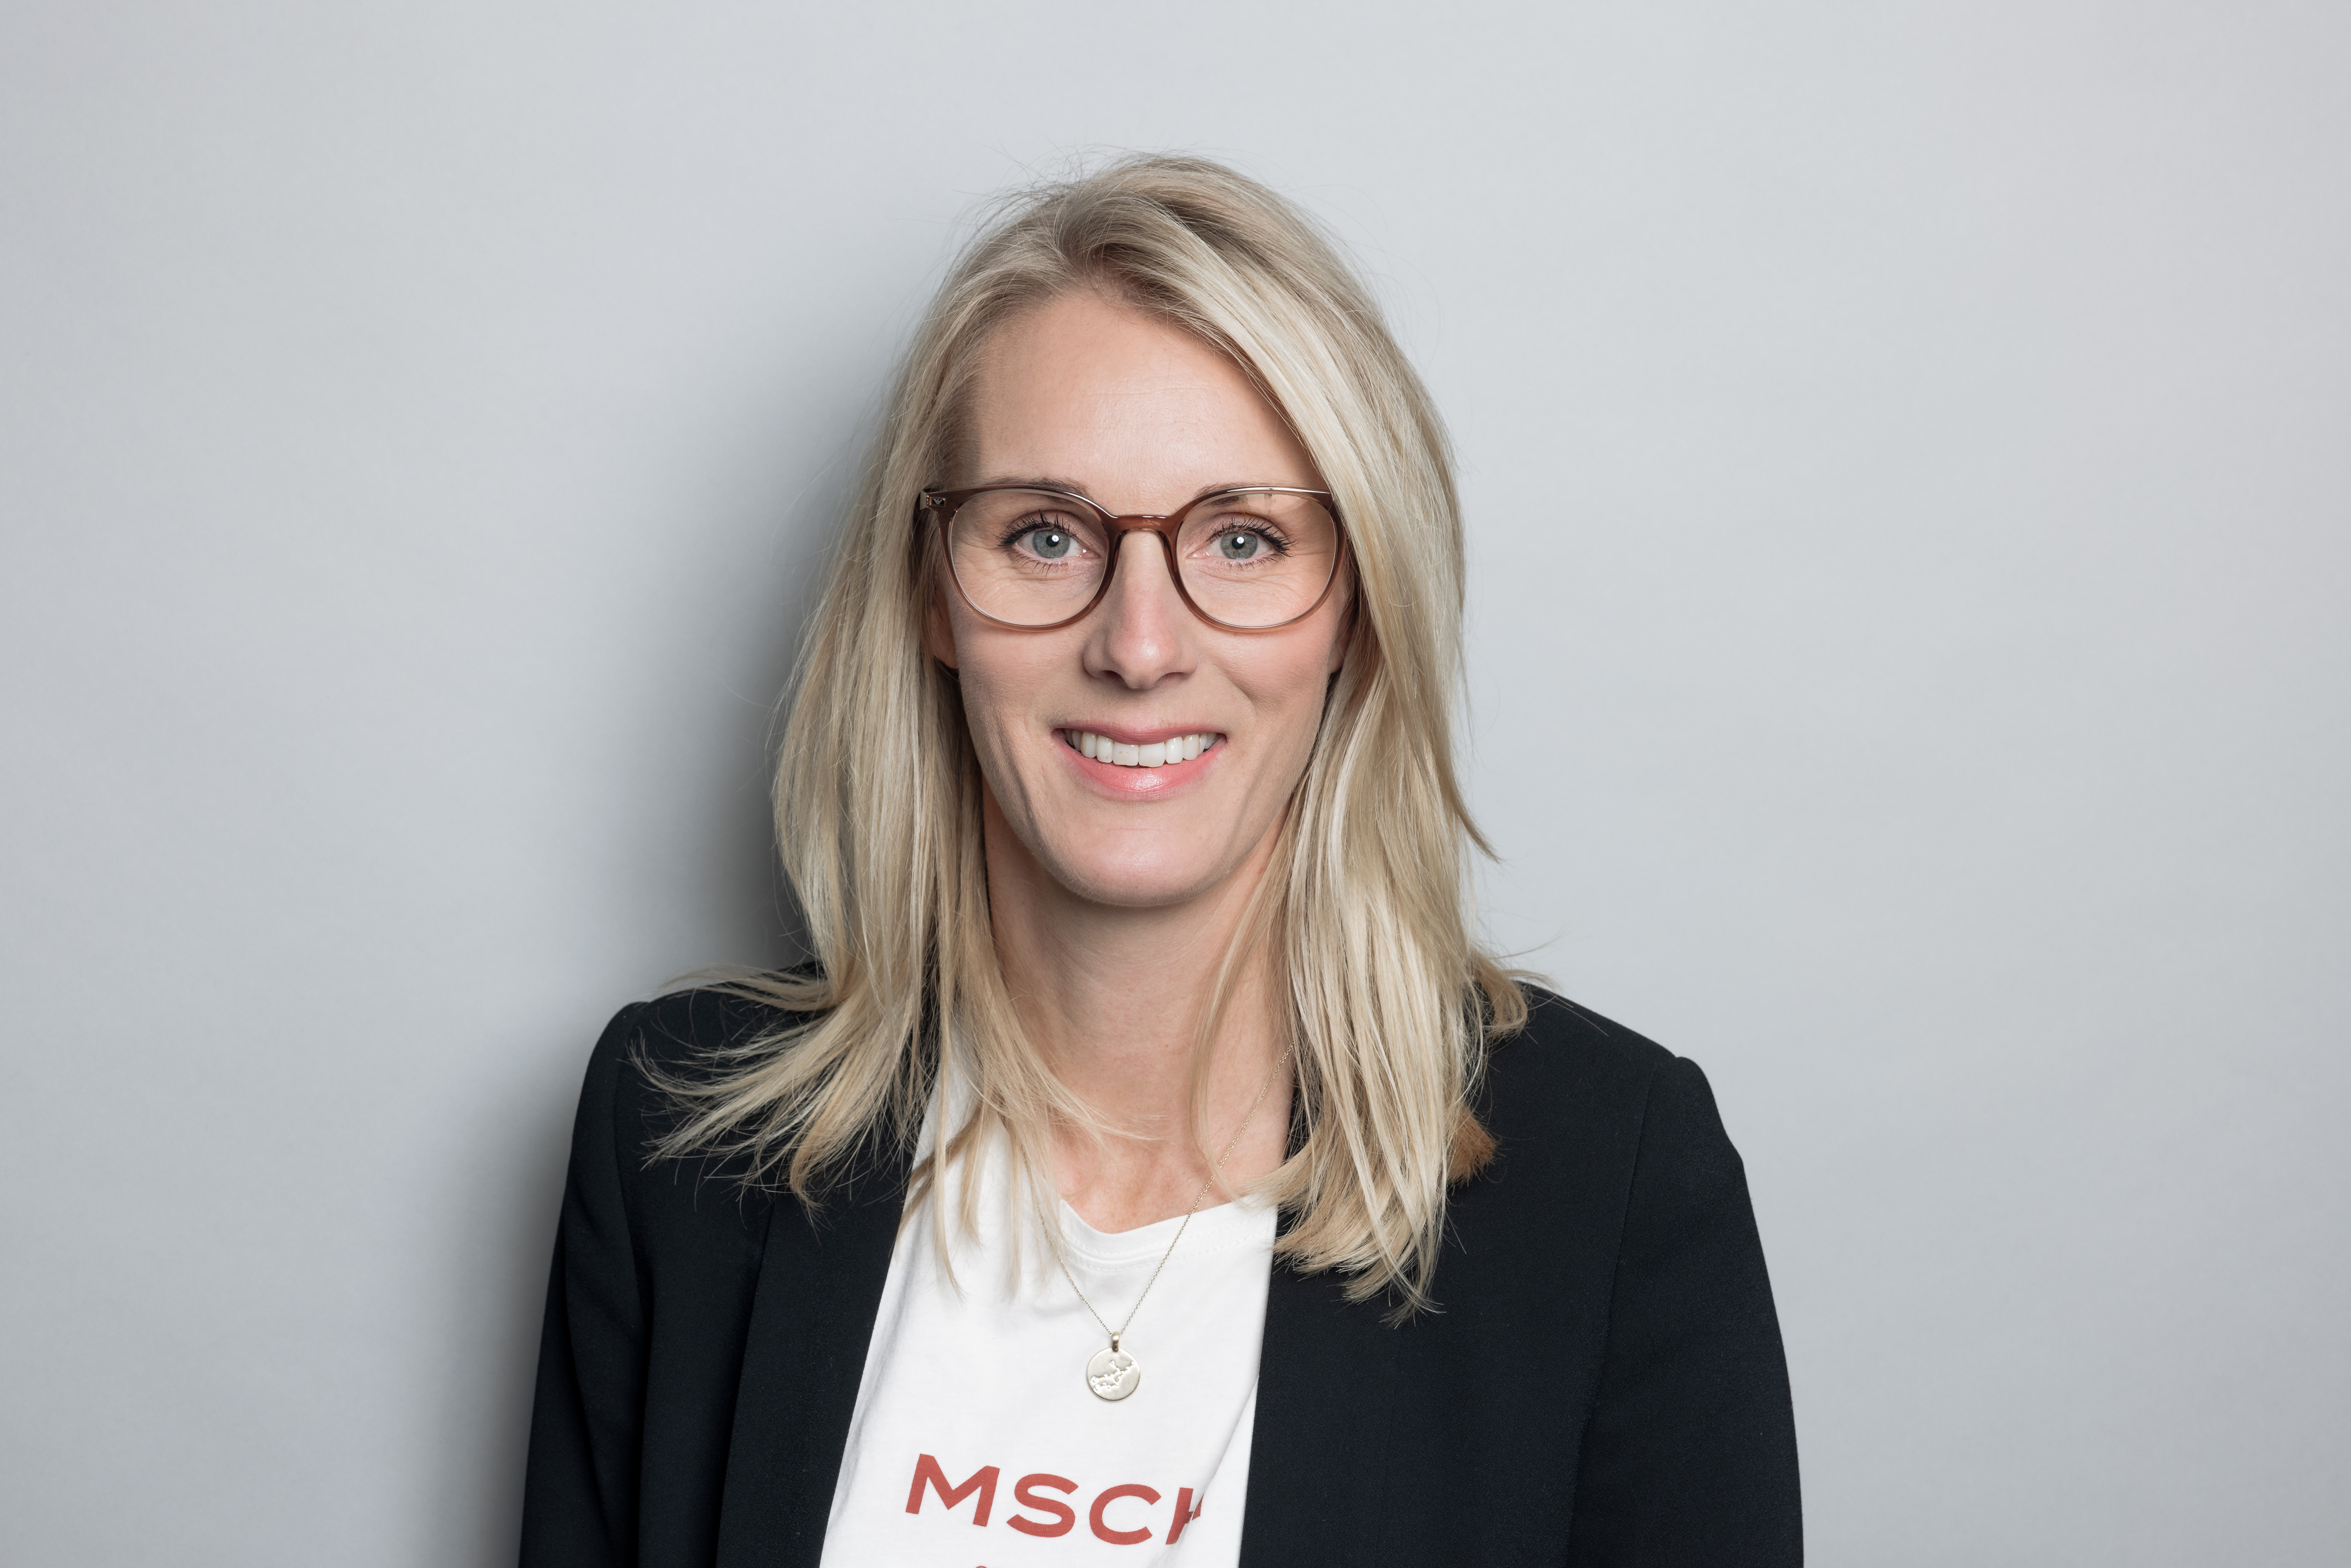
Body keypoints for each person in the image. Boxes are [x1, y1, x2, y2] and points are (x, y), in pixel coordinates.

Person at [521, 154, 1800, 1567]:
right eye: (1044, 534)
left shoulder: (1612, 1187)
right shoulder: (674, 1145)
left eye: (1242, 538)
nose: (1137, 646)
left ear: (1355, 609)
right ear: (932, 593)